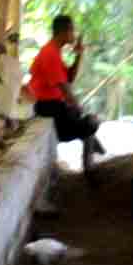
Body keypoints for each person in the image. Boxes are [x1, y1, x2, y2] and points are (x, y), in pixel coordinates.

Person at [25, 12, 105, 166]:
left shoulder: (54, 51)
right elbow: (65, 89)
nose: (74, 34)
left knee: (80, 116)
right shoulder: (50, 54)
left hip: (55, 106)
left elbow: (69, 78)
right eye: (72, 30)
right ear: (64, 32)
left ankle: (90, 147)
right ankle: (89, 162)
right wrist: (78, 107)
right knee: (92, 122)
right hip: (47, 109)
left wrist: (78, 55)